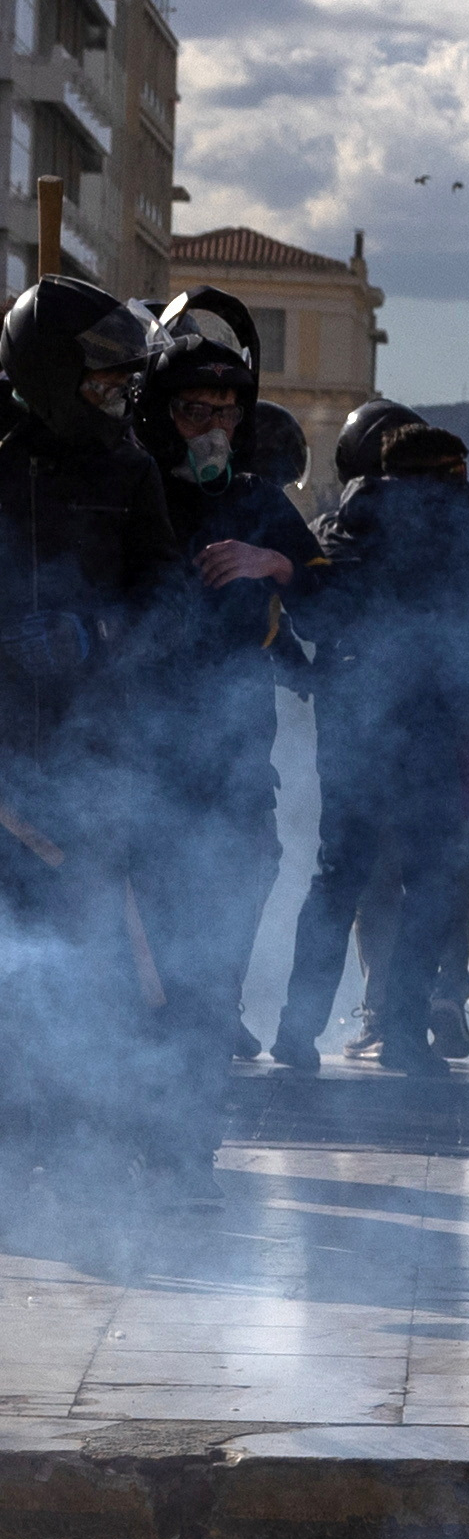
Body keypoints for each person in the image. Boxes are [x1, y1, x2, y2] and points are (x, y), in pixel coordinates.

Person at [0, 277, 183, 1191]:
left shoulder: (129, 467)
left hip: (95, 752)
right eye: (100, 379)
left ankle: (90, 1122)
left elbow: (164, 596)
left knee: (91, 942)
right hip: (3, 757)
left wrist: (96, 633)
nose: (117, 395)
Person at [272, 422, 469, 1072]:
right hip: (435, 721)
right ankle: (406, 1034)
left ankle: (297, 1032)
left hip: (353, 718)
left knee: (339, 876)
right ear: (449, 471)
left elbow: (315, 612)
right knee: (431, 879)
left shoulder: (347, 519)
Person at [119, 298, 315, 1122]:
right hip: (129, 768)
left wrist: (279, 566)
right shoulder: (119, 487)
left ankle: (187, 1140)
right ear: (160, 414)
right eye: (195, 411)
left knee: (220, 942)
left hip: (233, 767)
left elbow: (347, 600)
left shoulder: (259, 501)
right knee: (138, 962)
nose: (212, 428)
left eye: (227, 413)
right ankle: (126, 1123)